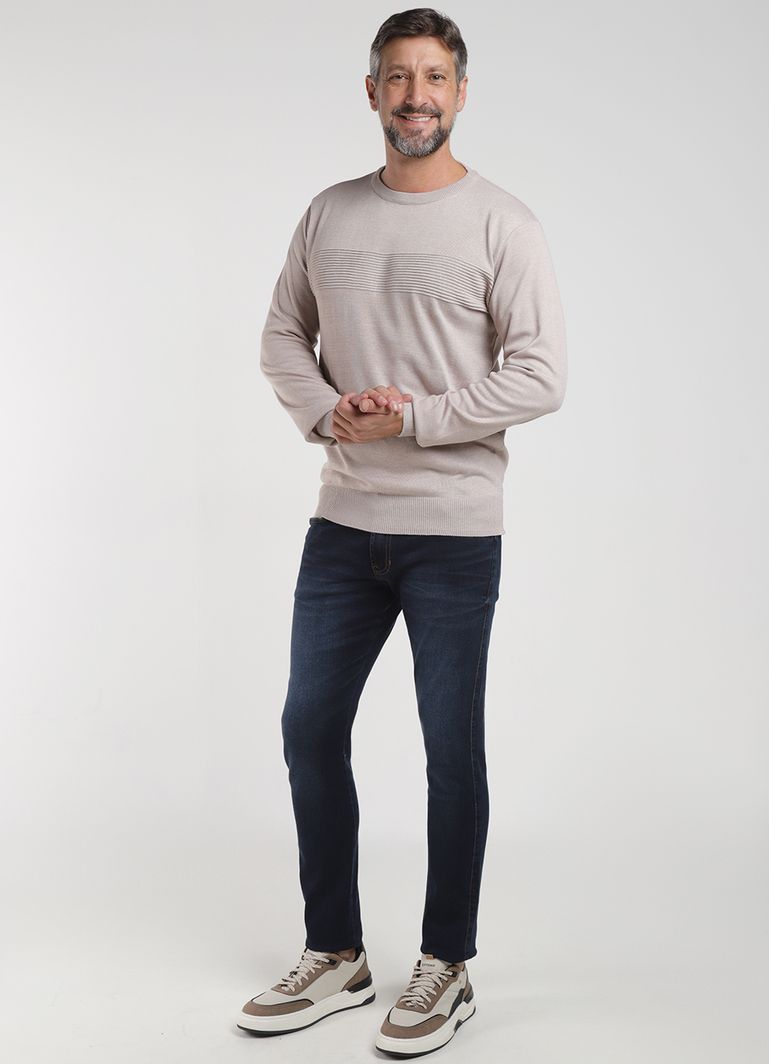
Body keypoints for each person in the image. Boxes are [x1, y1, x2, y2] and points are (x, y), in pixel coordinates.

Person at [236, 7, 567, 1057]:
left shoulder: (501, 223)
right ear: (371, 91)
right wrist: (331, 412)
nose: (415, 95)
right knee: (306, 728)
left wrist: (414, 418)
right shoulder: (328, 213)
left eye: (433, 77)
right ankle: (335, 950)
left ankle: (447, 964)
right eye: (397, 76)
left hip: (453, 531)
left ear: (460, 93)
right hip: (342, 521)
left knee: (448, 751)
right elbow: (281, 335)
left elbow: (540, 374)